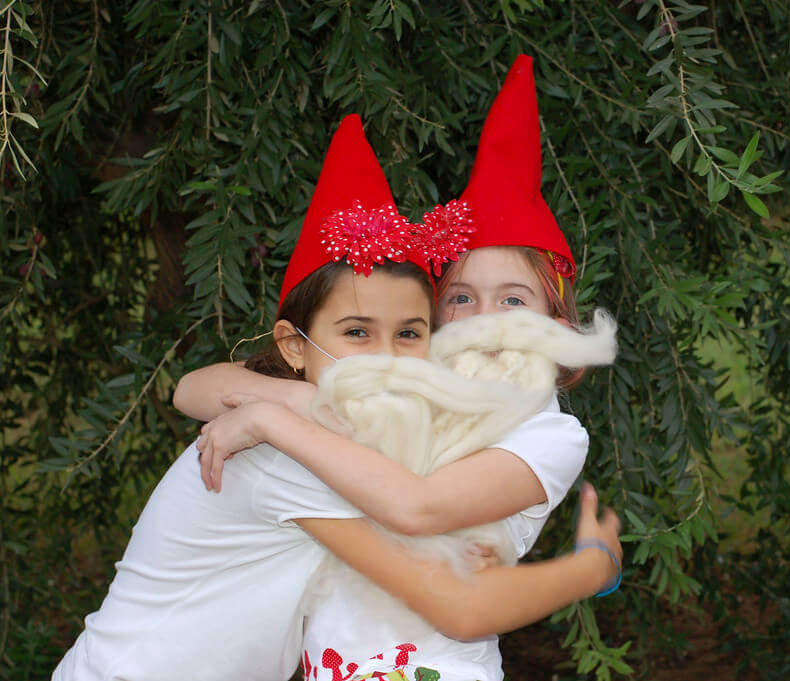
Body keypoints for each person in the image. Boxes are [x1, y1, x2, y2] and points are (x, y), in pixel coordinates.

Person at [52, 114, 621, 681]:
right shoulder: (303, 453)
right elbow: (194, 388)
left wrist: (280, 415)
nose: (383, 357)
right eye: (462, 298)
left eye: (405, 333)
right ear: (294, 345)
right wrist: (589, 570)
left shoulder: (510, 430)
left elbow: (420, 513)